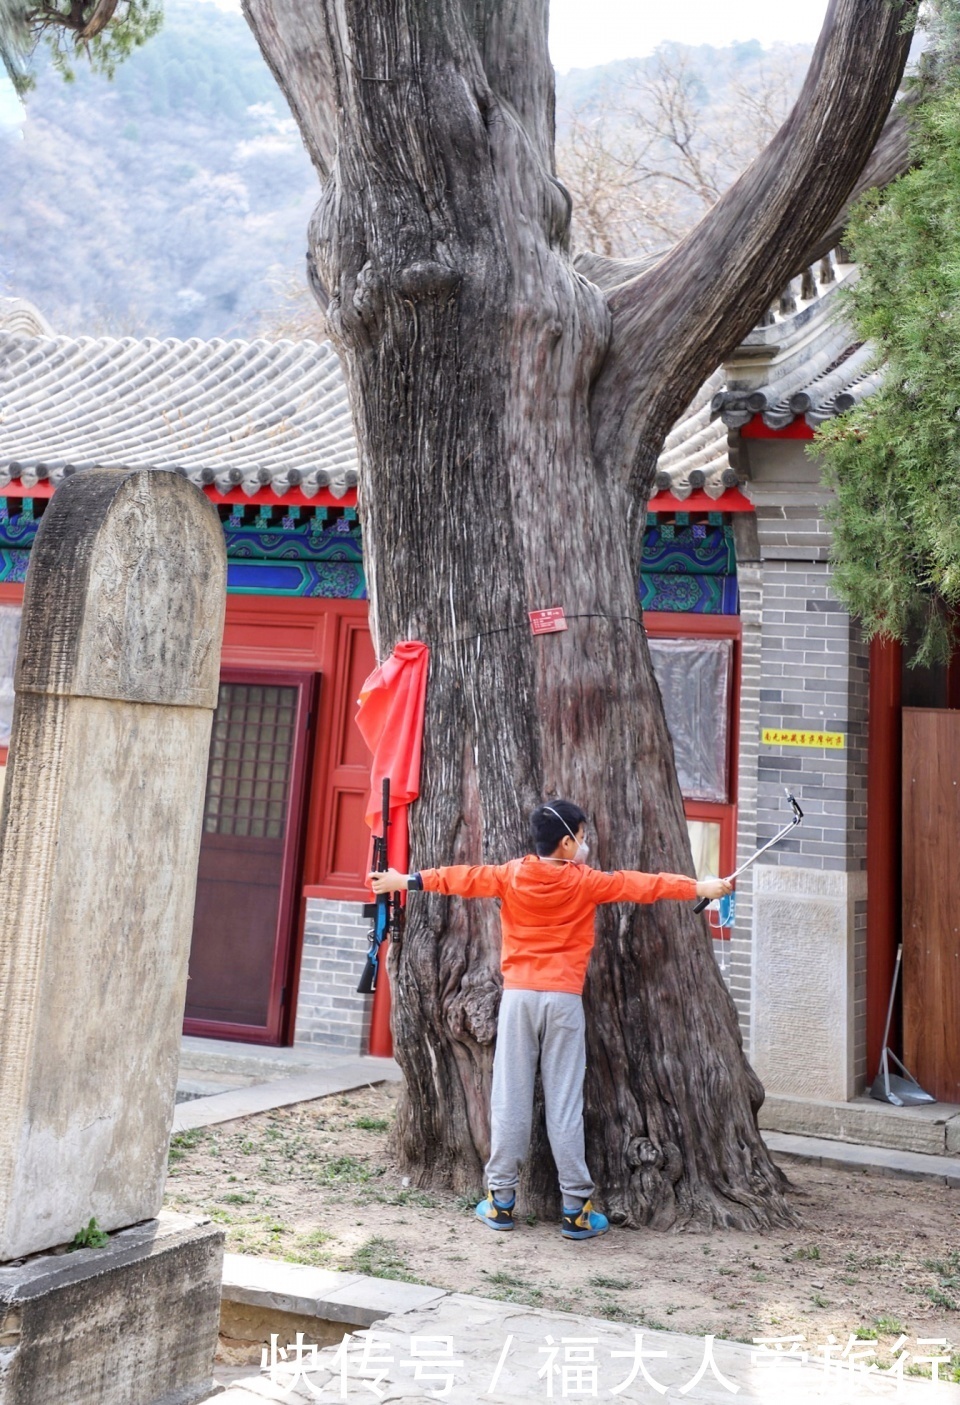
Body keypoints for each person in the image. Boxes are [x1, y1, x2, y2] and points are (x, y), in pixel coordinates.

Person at [369, 799, 732, 1241]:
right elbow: (644, 886)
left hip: (519, 999)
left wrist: (401, 879)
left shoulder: (510, 874)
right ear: (566, 841)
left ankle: (500, 1201)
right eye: (581, 836)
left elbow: (457, 877)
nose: (584, 844)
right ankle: (575, 1210)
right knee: (564, 1104)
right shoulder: (587, 882)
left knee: (510, 1098)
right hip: (563, 1002)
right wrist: (700, 888)